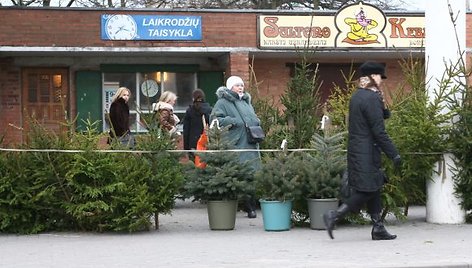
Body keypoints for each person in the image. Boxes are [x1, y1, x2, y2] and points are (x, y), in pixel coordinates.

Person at [323, 61, 401, 240]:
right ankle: (334, 215)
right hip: (367, 152)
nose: (381, 81)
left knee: (374, 187)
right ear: (373, 76)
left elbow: (372, 118)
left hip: (358, 150)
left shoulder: (358, 96)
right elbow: (378, 131)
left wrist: (381, 103)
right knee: (366, 190)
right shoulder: (371, 98)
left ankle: (378, 227)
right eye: (380, 77)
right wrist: (393, 153)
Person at [211, 75, 262, 218]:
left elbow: (252, 117)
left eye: (242, 85)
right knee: (240, 175)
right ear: (230, 87)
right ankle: (247, 206)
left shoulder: (246, 102)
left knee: (251, 174)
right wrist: (232, 121)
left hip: (250, 142)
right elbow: (215, 120)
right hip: (236, 142)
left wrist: (256, 121)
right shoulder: (222, 102)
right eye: (237, 85)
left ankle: (250, 204)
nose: (240, 87)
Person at [183, 89, 212, 160]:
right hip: (206, 142)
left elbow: (186, 130)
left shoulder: (189, 111)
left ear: (193, 98)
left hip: (193, 143)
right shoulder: (209, 110)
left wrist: (186, 148)